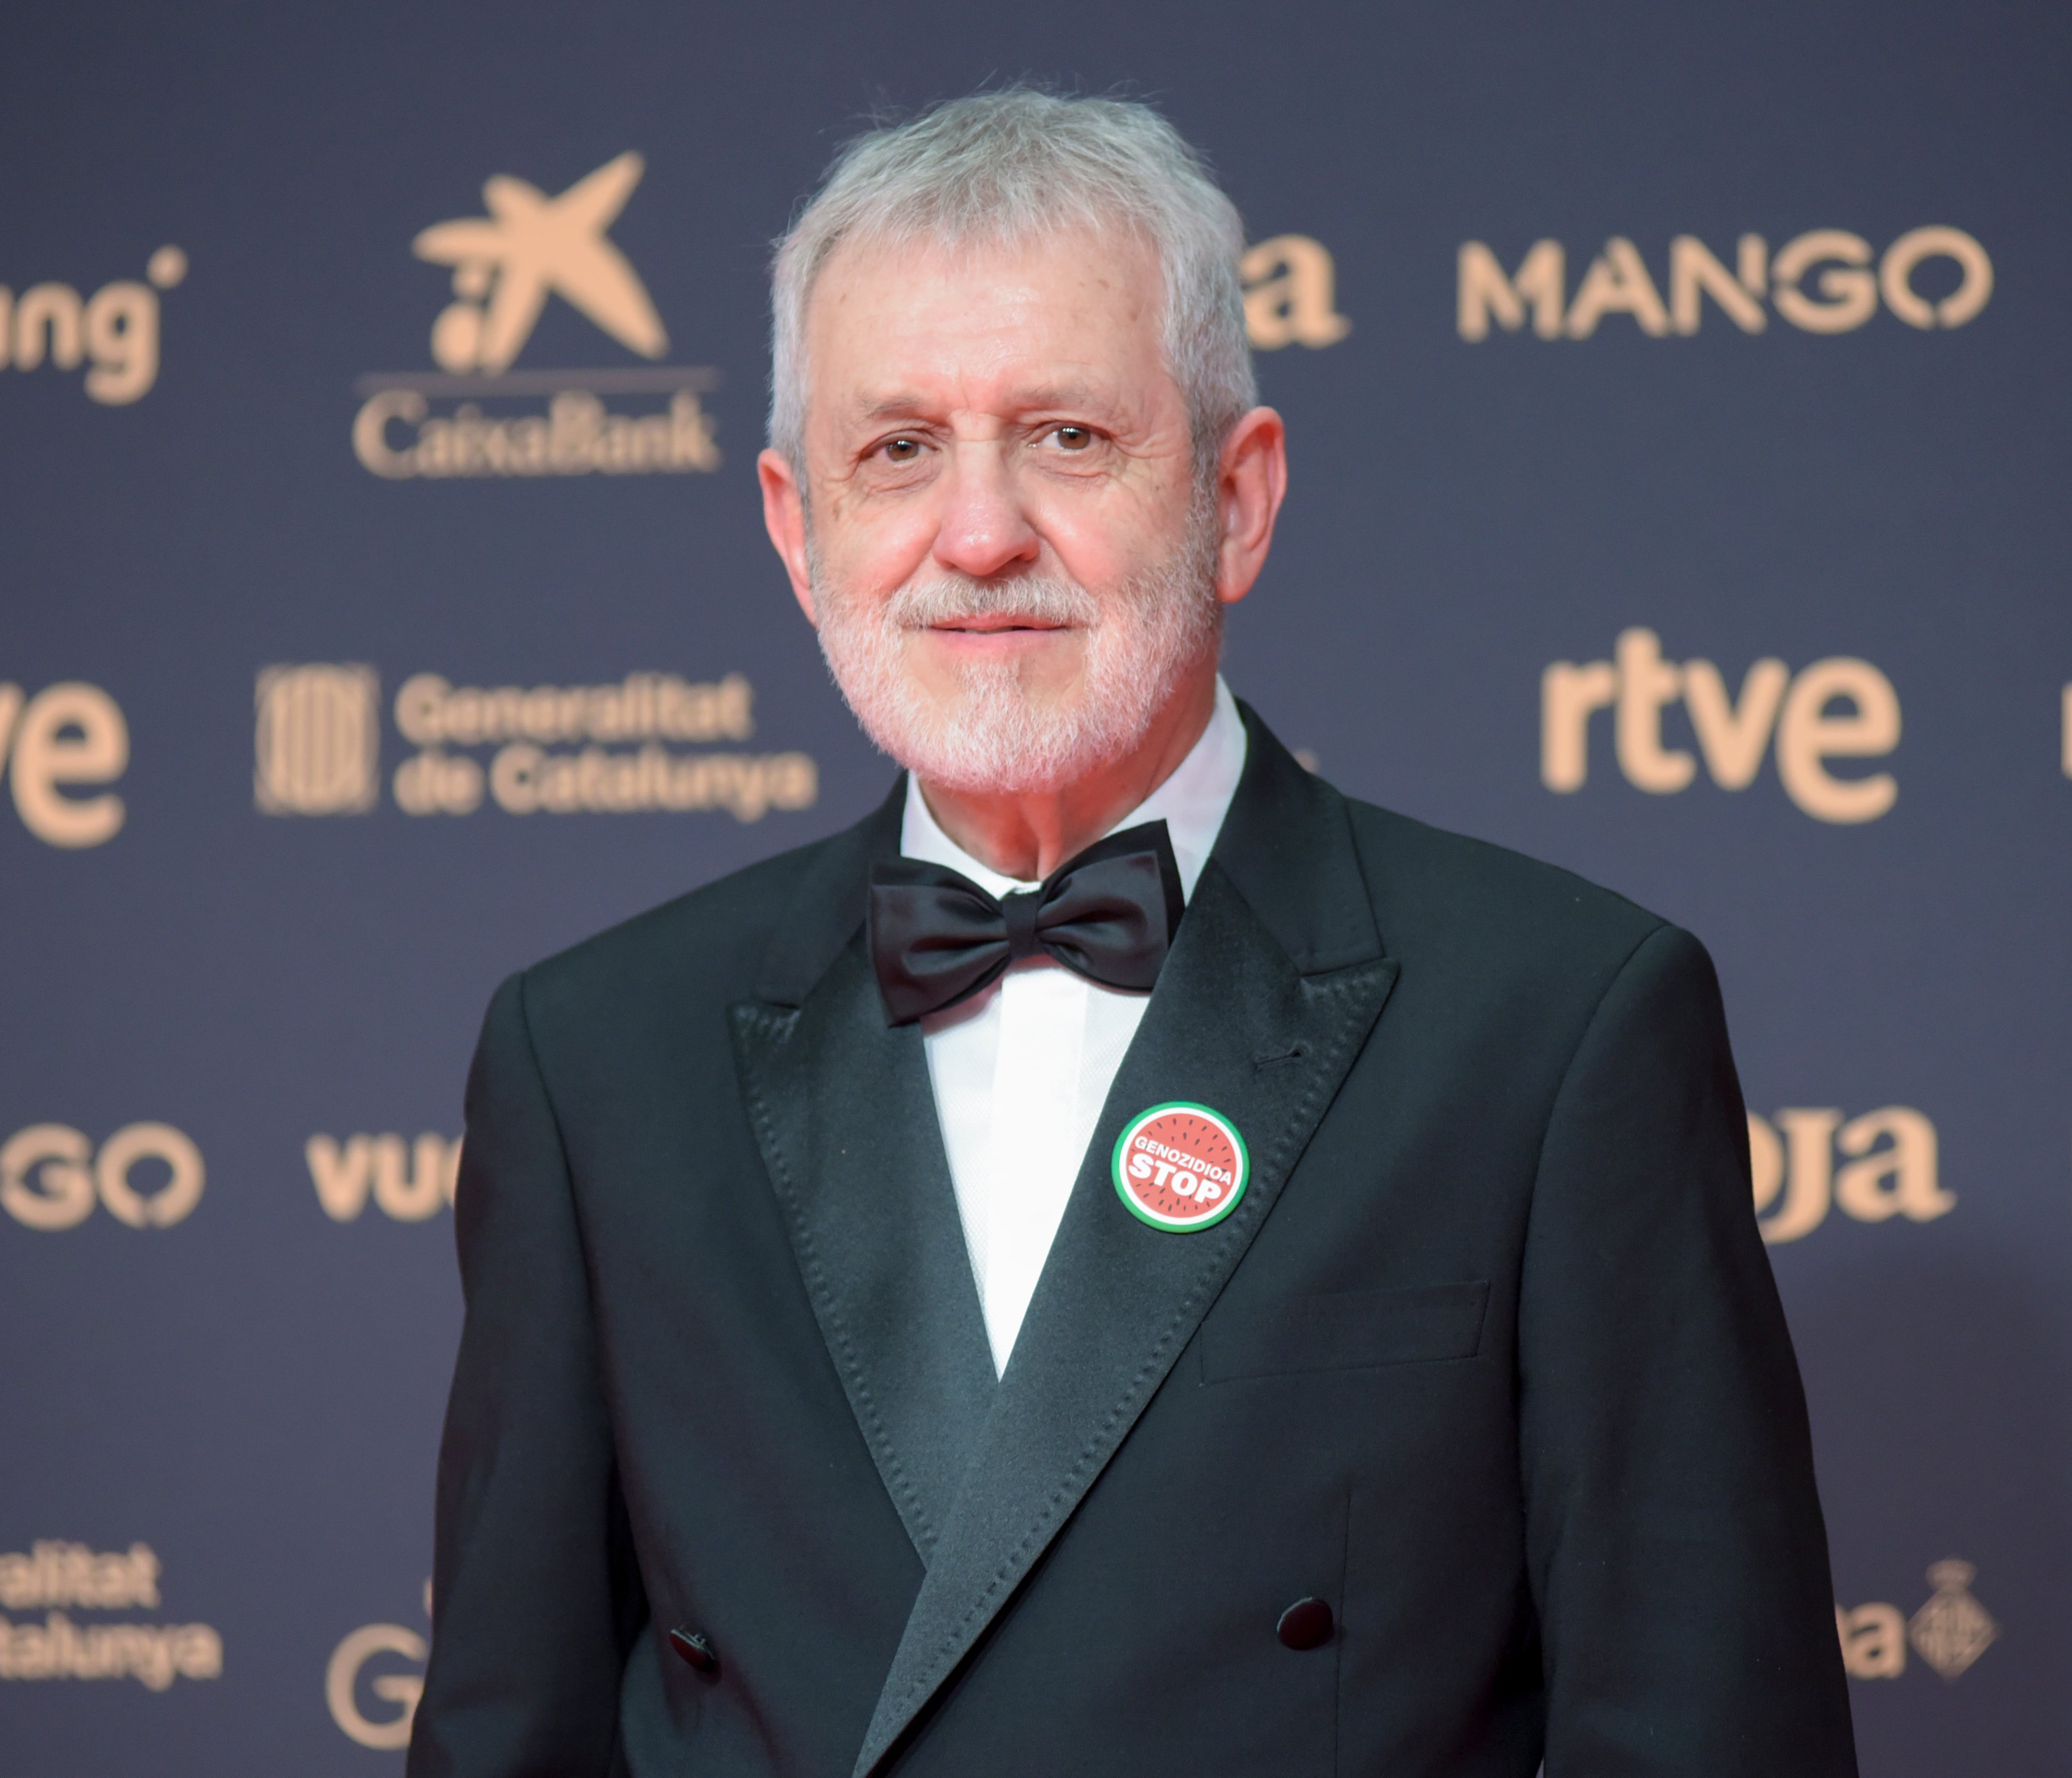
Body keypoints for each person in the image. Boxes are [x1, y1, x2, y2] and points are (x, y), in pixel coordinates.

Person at [410, 89, 1857, 1777]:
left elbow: (1705, 1737)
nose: (978, 533)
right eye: (898, 451)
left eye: (1068, 437)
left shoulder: (1560, 1024)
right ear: (798, 532)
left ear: (1238, 499)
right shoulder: (595, 1062)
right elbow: (510, 1741)